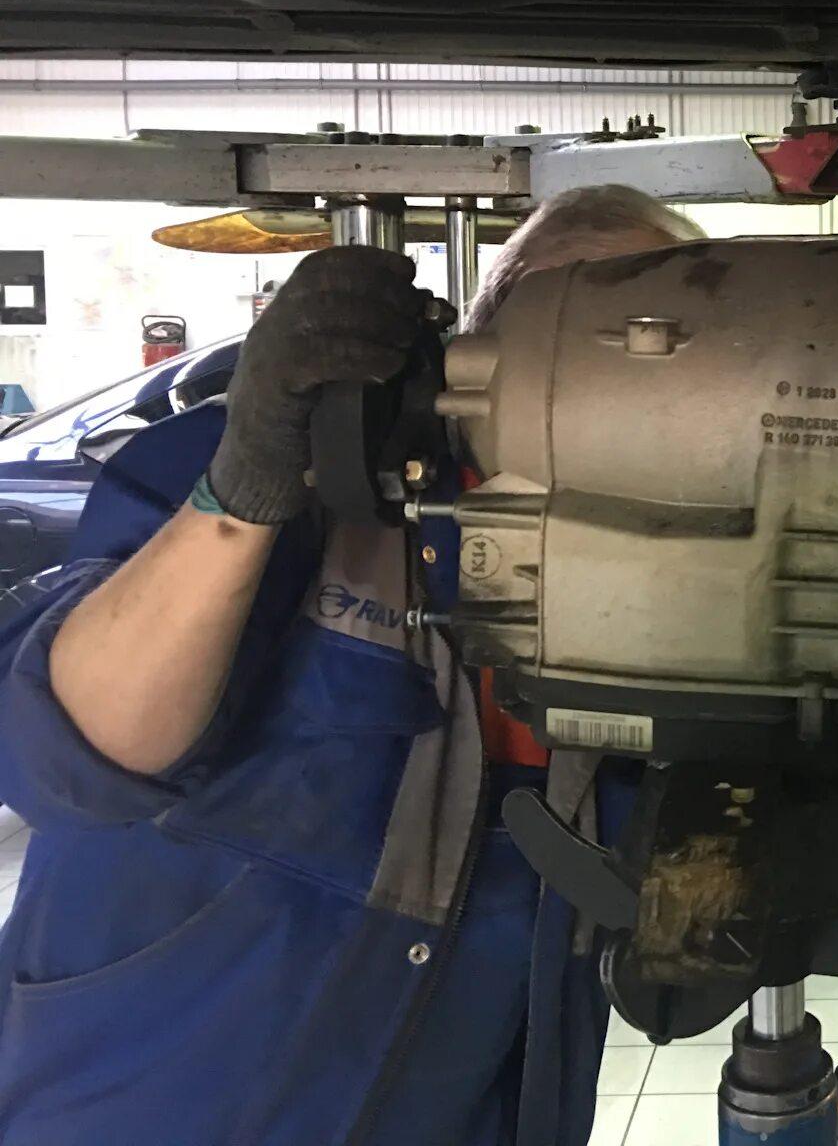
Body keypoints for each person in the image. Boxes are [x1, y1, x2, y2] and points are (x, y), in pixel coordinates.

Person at [0, 186, 703, 1146]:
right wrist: (246, 493)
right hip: (149, 1099)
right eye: (569, 331)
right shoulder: (271, 469)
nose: (602, 376)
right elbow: (64, 758)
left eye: (659, 342)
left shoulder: (683, 579)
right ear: (472, 351)